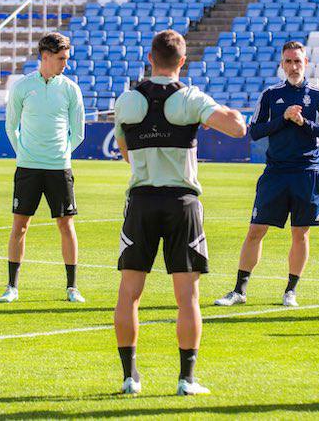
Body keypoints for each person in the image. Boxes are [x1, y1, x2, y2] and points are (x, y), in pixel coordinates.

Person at [113, 30, 246, 396]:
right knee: (187, 296)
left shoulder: (126, 101)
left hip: (140, 200)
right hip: (181, 203)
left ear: (150, 59)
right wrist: (228, 113)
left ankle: (130, 377)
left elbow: (125, 152)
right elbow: (237, 128)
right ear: (182, 62)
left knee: (129, 292)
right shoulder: (190, 98)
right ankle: (186, 379)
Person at [214, 41, 319, 308]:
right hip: (275, 172)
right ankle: (239, 290)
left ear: (306, 63)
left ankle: (291, 291)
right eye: (288, 61)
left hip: (306, 172)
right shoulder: (269, 94)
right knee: (256, 230)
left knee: (300, 234)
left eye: (297, 61)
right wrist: (284, 119)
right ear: (282, 64)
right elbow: (254, 131)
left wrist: (304, 123)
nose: (293, 66)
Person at [0, 32, 85, 304]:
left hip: (59, 168)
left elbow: (78, 132)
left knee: (66, 225)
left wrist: (60, 155)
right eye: (61, 59)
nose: (65, 64)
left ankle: (72, 288)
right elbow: (10, 126)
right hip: (28, 168)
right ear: (45, 57)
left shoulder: (71, 89)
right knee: (20, 226)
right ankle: (12, 286)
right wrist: (24, 152)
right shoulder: (23, 87)